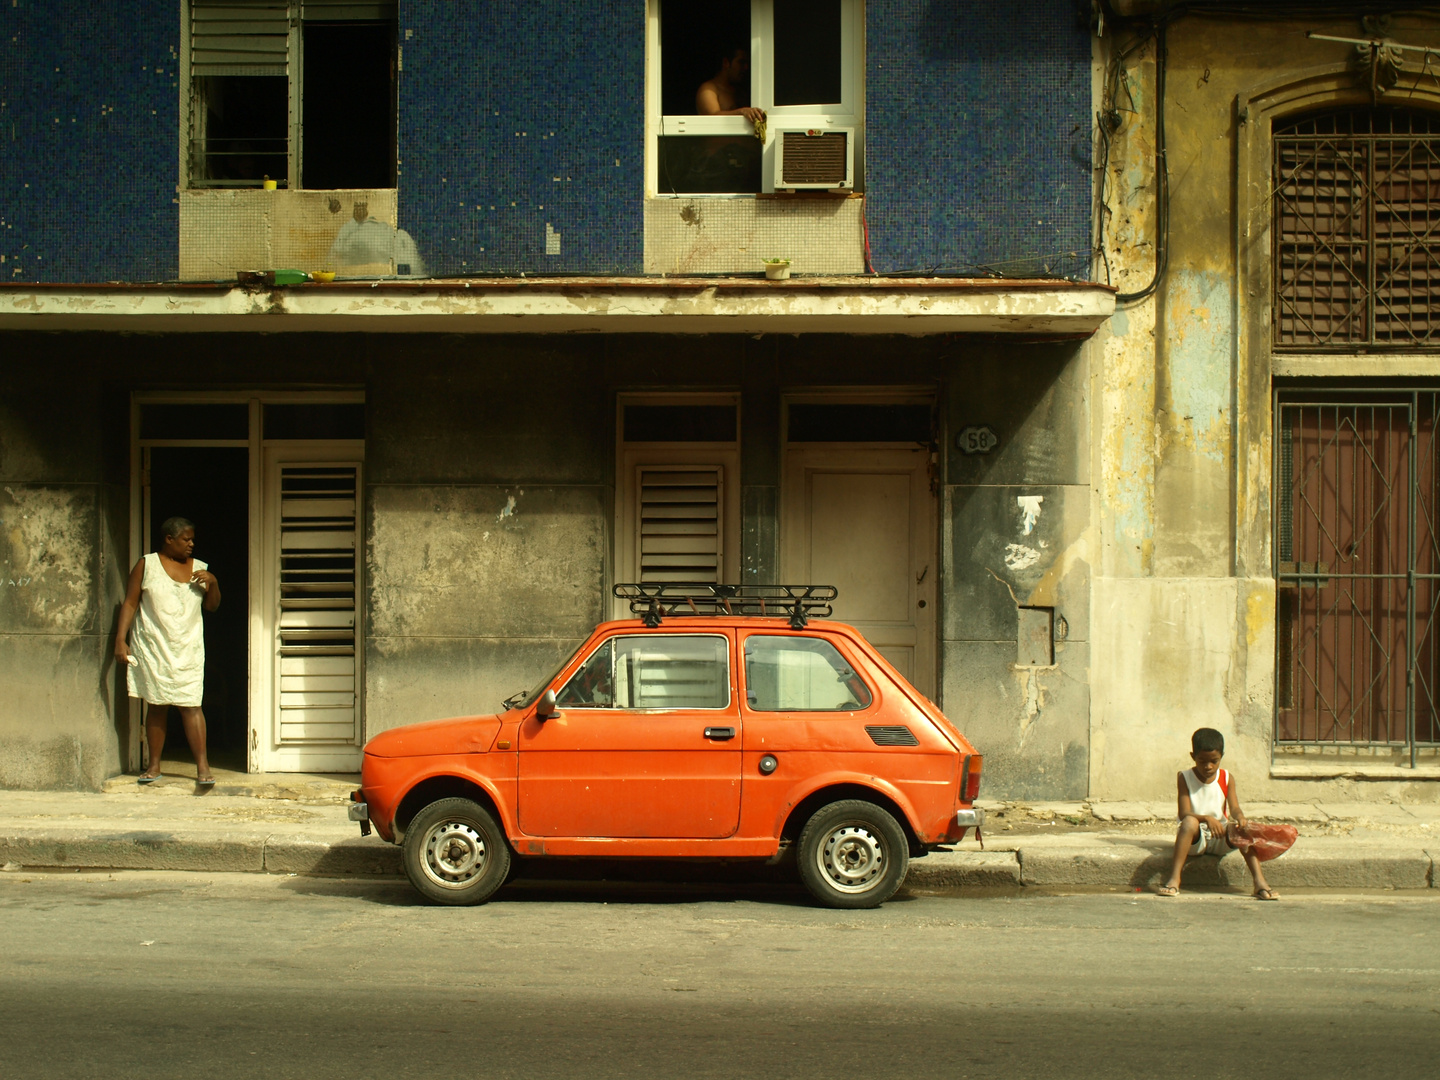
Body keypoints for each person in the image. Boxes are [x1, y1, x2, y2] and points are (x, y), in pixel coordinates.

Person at [114, 517, 222, 786]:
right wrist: (120, 639)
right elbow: (130, 603)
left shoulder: (200, 569)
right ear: (169, 539)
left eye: (192, 539)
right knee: (157, 703)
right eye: (186, 539)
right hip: (154, 645)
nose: (191, 544)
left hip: (188, 646)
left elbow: (212, 607)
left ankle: (202, 767)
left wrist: (214, 583)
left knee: (191, 705)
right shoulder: (146, 564)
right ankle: (153, 766)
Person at [1156, 728, 1278, 900]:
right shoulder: (1185, 777)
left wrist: (1240, 818)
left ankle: (1260, 883)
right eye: (1202, 761)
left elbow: (1234, 807)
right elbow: (1184, 813)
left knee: (1242, 831)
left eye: (1214, 761)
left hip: (1219, 834)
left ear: (1222, 756)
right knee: (1189, 822)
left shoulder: (1227, 777)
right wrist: (1206, 818)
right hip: (1195, 837)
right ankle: (1174, 879)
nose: (1208, 766)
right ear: (1193, 756)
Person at [696, 44, 766, 122]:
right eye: (741, 62)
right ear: (726, 62)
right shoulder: (708, 89)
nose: (746, 67)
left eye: (747, 63)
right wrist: (742, 112)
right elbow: (712, 118)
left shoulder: (740, 92)